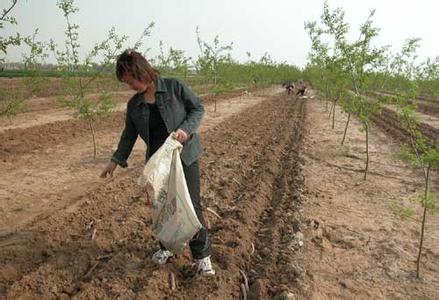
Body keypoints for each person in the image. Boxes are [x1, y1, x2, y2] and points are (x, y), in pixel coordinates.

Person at [100, 49, 214, 276]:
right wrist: (115, 160)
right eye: (126, 82)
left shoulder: (174, 87)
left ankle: (202, 257)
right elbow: (129, 135)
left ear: (141, 71)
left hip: (184, 156)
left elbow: (197, 108)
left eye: (130, 80)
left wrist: (186, 130)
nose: (130, 85)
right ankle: (167, 248)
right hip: (158, 163)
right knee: (162, 208)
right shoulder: (134, 105)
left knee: (191, 205)